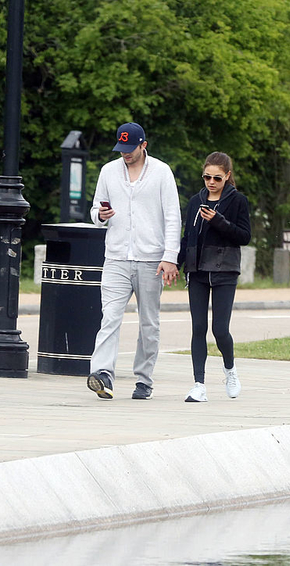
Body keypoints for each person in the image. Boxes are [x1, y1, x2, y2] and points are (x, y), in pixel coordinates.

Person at [87, 122, 181, 400]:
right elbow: (95, 208)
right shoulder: (108, 171)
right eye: (121, 149)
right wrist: (100, 216)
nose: (125, 154)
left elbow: (172, 217)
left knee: (148, 322)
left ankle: (144, 379)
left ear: (144, 145)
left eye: (130, 149)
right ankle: (103, 373)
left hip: (151, 259)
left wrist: (170, 257)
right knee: (110, 317)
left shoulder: (162, 172)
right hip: (116, 256)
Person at [178, 152, 251, 402]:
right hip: (197, 270)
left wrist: (219, 221)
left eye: (217, 178)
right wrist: (174, 264)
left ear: (227, 176)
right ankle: (199, 384)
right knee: (198, 327)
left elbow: (244, 236)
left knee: (220, 329)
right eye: (207, 177)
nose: (211, 182)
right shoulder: (195, 201)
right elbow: (187, 237)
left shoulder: (238, 201)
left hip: (225, 269)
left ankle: (230, 369)